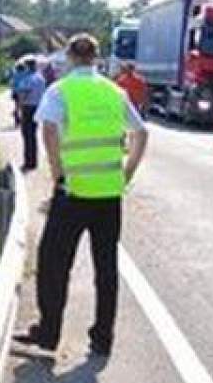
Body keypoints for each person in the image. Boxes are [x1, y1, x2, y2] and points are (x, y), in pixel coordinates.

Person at [20, 33, 149, 360]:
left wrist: (57, 171)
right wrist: (127, 173)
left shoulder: (61, 90)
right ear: (95, 57)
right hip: (109, 193)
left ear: (70, 57)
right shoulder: (114, 91)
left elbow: (47, 130)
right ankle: (103, 338)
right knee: (105, 267)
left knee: (53, 262)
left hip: (73, 191)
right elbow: (141, 133)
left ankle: (49, 333)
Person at [16, 58, 46, 170]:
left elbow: (23, 94)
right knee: (33, 135)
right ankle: (34, 160)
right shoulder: (41, 78)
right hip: (37, 107)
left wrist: (18, 108)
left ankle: (29, 161)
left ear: (28, 66)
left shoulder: (27, 79)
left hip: (28, 107)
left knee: (27, 135)